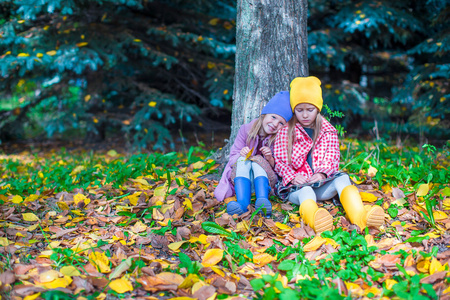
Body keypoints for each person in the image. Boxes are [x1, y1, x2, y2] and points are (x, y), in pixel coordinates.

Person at [273, 76, 384, 233]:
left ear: (317, 109)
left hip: (320, 185)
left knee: (343, 178)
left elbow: (332, 157)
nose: (305, 115)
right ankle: (315, 220)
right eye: (299, 110)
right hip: (296, 187)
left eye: (309, 110)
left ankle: (361, 217)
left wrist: (322, 173)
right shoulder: (286, 131)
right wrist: (292, 176)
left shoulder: (328, 130)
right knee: (306, 191)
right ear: (293, 110)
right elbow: (279, 161)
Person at [214, 91, 293, 217]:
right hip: (243, 181)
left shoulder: (278, 138)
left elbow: (280, 167)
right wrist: (241, 154)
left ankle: (263, 202)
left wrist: (269, 158)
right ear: (264, 114)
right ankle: (242, 204)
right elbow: (232, 158)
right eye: (273, 117)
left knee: (258, 161)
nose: (275, 124)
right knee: (243, 160)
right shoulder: (245, 130)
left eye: (281, 123)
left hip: (264, 182)